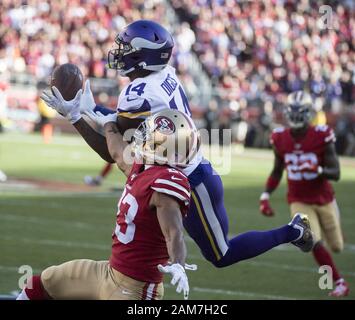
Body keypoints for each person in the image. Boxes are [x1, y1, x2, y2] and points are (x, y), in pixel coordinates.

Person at [42, 20, 314, 272]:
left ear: (142, 55)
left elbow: (111, 148)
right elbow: (119, 123)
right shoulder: (163, 74)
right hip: (178, 171)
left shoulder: (139, 94)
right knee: (145, 246)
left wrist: (78, 115)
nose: (119, 52)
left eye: (126, 48)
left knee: (222, 254)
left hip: (189, 182)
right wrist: (91, 111)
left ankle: (293, 231)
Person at [17, 109, 196, 300]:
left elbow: (174, 233)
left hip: (136, 289)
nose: (141, 135)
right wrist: (105, 122)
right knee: (41, 284)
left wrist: (178, 263)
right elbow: (117, 153)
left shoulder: (165, 183)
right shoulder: (142, 168)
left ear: (161, 144)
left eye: (148, 133)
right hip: (109, 272)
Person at [259, 91, 349, 297]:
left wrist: (317, 170)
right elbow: (277, 170)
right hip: (298, 200)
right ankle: (339, 282)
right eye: (293, 111)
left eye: (300, 112)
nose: (296, 116)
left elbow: (336, 173)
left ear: (308, 113)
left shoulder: (321, 134)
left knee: (336, 246)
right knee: (311, 240)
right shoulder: (280, 138)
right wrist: (265, 196)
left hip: (324, 198)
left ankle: (330, 237)